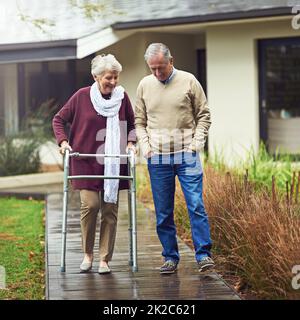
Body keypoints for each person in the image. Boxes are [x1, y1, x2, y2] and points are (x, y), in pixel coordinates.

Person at [52, 54, 136, 274]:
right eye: (109, 77)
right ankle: (87, 254)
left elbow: (133, 123)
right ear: (96, 76)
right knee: (90, 206)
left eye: (116, 77)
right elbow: (59, 119)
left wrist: (130, 142)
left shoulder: (122, 97)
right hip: (86, 160)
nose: (113, 82)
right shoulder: (81, 97)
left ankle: (104, 259)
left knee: (110, 210)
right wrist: (63, 141)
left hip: (113, 163)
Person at [135, 43, 215, 274]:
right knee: (163, 211)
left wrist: (196, 144)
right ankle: (170, 257)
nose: (158, 73)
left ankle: (203, 255)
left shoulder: (189, 81)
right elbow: (139, 121)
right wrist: (146, 147)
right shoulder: (144, 85)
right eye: (153, 69)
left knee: (196, 205)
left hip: (186, 155)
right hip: (157, 157)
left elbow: (204, 115)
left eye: (161, 67)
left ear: (171, 61)